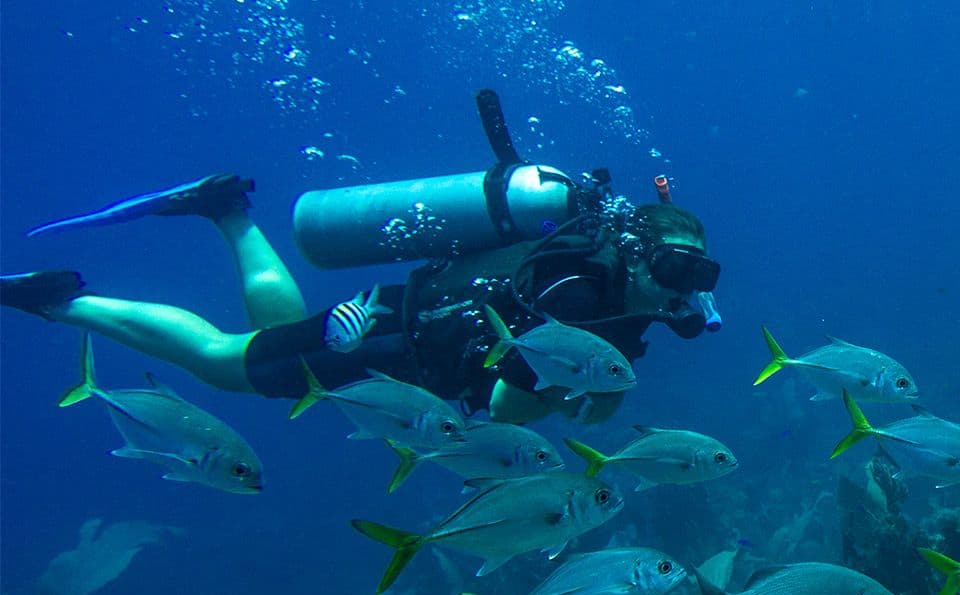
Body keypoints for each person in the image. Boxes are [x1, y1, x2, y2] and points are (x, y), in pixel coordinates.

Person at [1, 166, 720, 426]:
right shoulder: (577, 294)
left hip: (399, 320)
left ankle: (226, 210)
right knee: (227, 361)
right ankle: (63, 301)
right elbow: (506, 410)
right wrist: (563, 387)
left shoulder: (619, 302)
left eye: (695, 277)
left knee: (279, 329)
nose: (682, 290)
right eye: (672, 269)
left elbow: (594, 406)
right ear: (634, 250)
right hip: (389, 343)